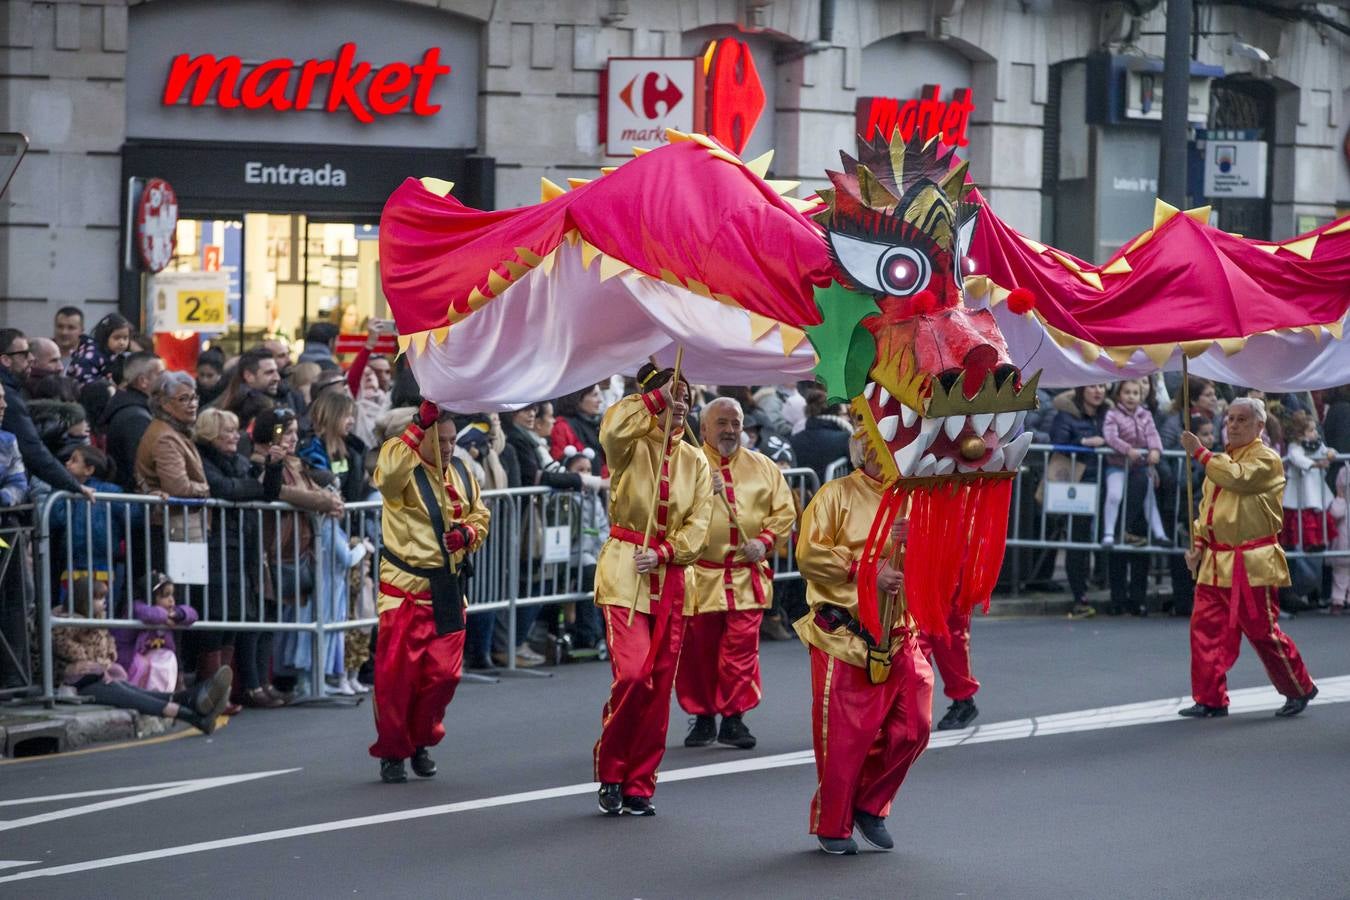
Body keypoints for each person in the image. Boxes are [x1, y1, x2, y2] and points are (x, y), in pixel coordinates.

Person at [794, 431, 933, 855]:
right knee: (844, 741)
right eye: (887, 445)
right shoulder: (835, 494)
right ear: (867, 448)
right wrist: (866, 570)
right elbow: (808, 554)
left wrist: (927, 540)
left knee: (916, 727)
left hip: (901, 632)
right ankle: (833, 825)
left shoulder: (915, 499)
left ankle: (871, 804)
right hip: (846, 634)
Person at [592, 364, 711, 817]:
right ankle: (612, 770)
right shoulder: (630, 446)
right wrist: (658, 396)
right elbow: (611, 428)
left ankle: (641, 782)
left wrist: (664, 552)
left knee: (659, 685)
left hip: (673, 578)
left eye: (686, 397)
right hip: (625, 574)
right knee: (634, 674)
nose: (680, 404)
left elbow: (699, 525)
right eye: (671, 396)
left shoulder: (696, 461)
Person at [370, 400, 490, 784]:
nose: (449, 447)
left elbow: (480, 515)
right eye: (440, 440)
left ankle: (421, 739)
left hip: (448, 588)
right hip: (403, 589)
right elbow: (387, 476)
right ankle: (394, 752)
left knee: (444, 677)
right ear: (421, 438)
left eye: (453, 439)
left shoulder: (462, 474)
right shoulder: (400, 465)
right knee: (396, 680)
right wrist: (418, 423)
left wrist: (468, 534)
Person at [1178, 398, 1318, 719]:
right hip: (1216, 562)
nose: (1233, 425)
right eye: (1229, 419)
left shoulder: (1267, 459)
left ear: (1259, 426)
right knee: (1205, 630)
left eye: (1242, 419)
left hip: (1252, 562)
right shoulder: (1221, 459)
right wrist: (1199, 543)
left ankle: (1299, 687)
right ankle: (1210, 699)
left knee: (1262, 632)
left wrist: (1200, 452)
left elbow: (1238, 478)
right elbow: (1207, 510)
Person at [676, 397, 794, 751]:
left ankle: (734, 718)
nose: (729, 430)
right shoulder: (687, 467)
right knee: (698, 653)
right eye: (722, 423)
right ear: (704, 429)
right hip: (701, 576)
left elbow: (784, 511)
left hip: (746, 575)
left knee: (741, 650)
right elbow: (668, 514)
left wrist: (766, 540)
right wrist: (698, 492)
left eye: (735, 423)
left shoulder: (763, 466)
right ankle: (703, 717)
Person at [51, 576, 228, 734]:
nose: (103, 602)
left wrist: (106, 661)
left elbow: (107, 649)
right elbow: (77, 655)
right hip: (76, 684)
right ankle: (192, 711)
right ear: (83, 601)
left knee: (133, 691)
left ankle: (194, 703)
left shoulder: (97, 622)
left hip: (98, 677)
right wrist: (100, 663)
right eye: (98, 598)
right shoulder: (64, 624)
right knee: (132, 697)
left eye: (104, 597)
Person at [195, 407, 287, 708]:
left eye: (236, 430)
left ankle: (223, 692)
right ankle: (209, 692)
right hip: (215, 546)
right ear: (211, 433)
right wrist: (253, 490)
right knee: (215, 620)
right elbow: (225, 489)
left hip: (241, 546)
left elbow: (266, 493)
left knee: (234, 618)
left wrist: (274, 467)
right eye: (228, 431)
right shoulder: (203, 458)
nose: (235, 436)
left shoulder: (238, 461)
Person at [251, 406, 345, 699]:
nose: (293, 437)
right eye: (286, 431)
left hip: (297, 550)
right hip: (271, 550)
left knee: (275, 620)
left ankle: (269, 684)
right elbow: (277, 490)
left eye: (294, 431)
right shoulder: (260, 461)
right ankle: (256, 685)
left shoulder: (296, 462)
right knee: (261, 620)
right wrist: (323, 501)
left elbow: (311, 489)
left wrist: (329, 499)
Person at [0, 328, 90, 500]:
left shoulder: (13, 391)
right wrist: (73, 484)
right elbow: (32, 449)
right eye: (24, 354)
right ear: (5, 359)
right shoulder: (10, 396)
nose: (31, 359)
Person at [1049, 384, 1108, 618]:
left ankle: (1108, 588)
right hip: (1078, 484)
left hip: (1104, 481)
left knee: (1104, 537)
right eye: (1093, 386)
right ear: (1082, 390)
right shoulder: (1066, 414)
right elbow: (1057, 442)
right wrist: (1083, 442)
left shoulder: (1108, 414)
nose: (1098, 391)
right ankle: (1079, 595)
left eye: (1102, 386)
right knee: (1078, 541)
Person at [118, 573, 198, 692]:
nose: (172, 600)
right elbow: (147, 614)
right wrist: (166, 617)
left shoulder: (171, 612)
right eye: (165, 595)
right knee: (141, 664)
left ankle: (161, 694)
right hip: (129, 658)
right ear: (150, 596)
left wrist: (179, 614)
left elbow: (193, 614)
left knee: (169, 657)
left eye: (172, 595)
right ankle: (133, 693)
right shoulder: (137, 606)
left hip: (153, 656)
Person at [100, 352, 165, 492]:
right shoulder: (136, 418)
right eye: (161, 375)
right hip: (135, 502)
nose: (166, 380)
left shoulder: (129, 408)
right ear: (143, 381)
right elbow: (140, 466)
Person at [0, 402, 30, 690]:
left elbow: (19, 483)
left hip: (3, 530)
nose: (3, 404)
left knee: (18, 594)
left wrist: (5, 498)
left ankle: (12, 675)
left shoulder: (8, 441)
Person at [788, 388, 853, 483]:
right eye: (845, 414)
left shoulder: (794, 439)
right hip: (836, 495)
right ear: (836, 413)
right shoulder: (844, 438)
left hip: (805, 495)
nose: (847, 418)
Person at [551, 383, 607, 473]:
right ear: (578, 398)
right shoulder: (561, 426)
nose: (600, 400)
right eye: (595, 395)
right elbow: (560, 461)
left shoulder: (598, 425)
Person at [67, 312, 132, 386]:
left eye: (125, 338)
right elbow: (84, 379)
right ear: (105, 337)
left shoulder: (118, 355)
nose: (122, 342)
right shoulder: (91, 356)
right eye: (116, 338)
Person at [1326, 466, 1349, 614]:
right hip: (1344, 537)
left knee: (1341, 569)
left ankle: (1338, 600)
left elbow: (1335, 512)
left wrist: (1339, 496)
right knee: (1342, 568)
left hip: (1344, 537)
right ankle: (1339, 600)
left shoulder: (1342, 500)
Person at [53, 306, 83, 372]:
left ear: (81, 331)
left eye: (71, 327)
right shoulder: (43, 355)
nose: (64, 332)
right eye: (60, 326)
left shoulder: (91, 360)